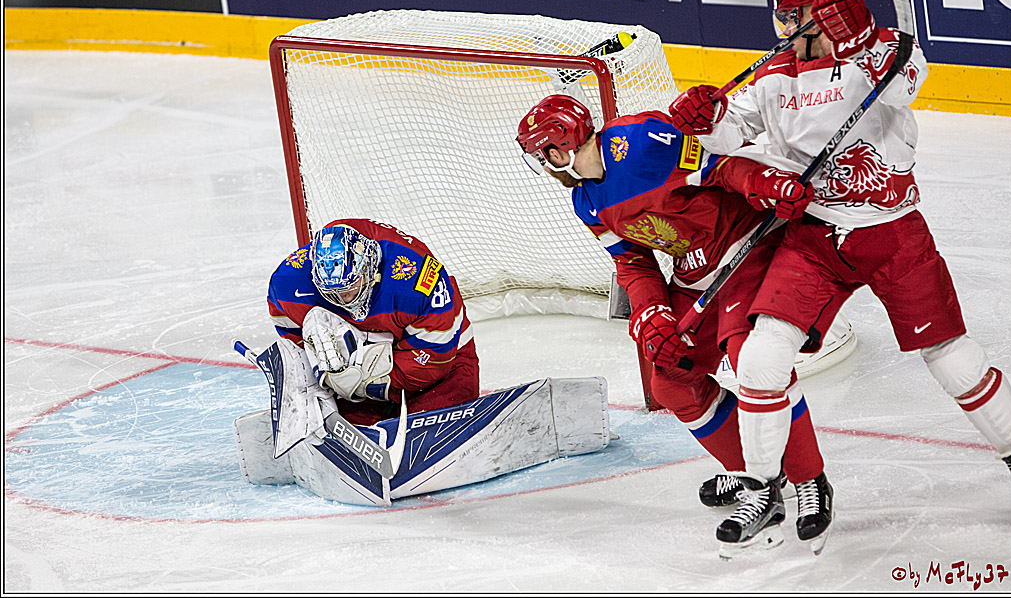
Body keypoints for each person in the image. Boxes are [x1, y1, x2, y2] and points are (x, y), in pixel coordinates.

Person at [669, 0, 1011, 553]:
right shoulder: (775, 76)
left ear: (826, 16)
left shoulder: (885, 51)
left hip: (891, 235)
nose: (781, 30)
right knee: (760, 356)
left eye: (792, 18)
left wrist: (857, 42)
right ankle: (763, 486)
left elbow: (907, 80)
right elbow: (732, 133)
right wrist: (706, 120)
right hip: (814, 238)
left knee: (953, 361)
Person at [516, 93, 839, 555]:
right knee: (671, 381)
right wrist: (652, 315)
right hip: (696, 271)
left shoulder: (640, 138)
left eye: (540, 153)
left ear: (558, 149)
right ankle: (760, 475)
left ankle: (811, 480)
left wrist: (767, 183)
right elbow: (633, 262)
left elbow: (721, 167)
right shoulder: (585, 202)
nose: (542, 165)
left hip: (747, 244)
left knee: (750, 357)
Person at [267, 218, 480, 426]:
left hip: (441, 361)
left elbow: (436, 355)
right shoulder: (288, 282)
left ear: (368, 267)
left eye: (350, 286)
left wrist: (368, 382)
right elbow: (288, 329)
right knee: (343, 436)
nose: (345, 298)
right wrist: (319, 371)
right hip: (353, 376)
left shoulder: (417, 279)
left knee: (437, 433)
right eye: (334, 292)